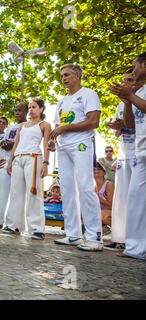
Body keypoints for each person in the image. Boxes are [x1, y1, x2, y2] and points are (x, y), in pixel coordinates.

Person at [49, 63, 103, 251]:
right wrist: (53, 139)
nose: (63, 78)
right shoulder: (63, 101)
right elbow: (58, 126)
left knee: (85, 186)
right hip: (63, 147)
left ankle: (95, 237)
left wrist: (65, 128)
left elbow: (93, 122)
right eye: (62, 75)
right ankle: (73, 235)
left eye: (67, 74)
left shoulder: (89, 94)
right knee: (67, 189)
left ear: (78, 75)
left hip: (81, 144)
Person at [110, 52, 146, 260]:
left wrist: (130, 96)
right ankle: (135, 248)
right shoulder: (138, 92)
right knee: (135, 199)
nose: (133, 71)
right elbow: (131, 125)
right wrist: (126, 100)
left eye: (135, 66)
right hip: (140, 152)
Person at [2, 98, 51, 240]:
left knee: (33, 191)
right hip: (18, 158)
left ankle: (37, 228)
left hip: (34, 157)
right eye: (29, 107)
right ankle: (13, 225)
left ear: (41, 109)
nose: (31, 109)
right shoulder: (22, 125)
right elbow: (16, 144)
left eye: (34, 107)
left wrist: (46, 163)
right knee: (15, 192)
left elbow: (47, 144)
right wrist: (10, 162)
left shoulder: (44, 125)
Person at [105, 69, 139, 251]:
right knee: (122, 196)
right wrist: (117, 127)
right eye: (125, 80)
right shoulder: (121, 104)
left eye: (131, 80)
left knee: (137, 196)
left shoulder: (141, 98)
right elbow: (120, 131)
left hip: (140, 152)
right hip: (125, 152)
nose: (127, 84)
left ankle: (136, 238)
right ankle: (120, 236)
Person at [0, 103, 28, 228]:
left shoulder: (27, 125)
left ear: (26, 112)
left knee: (16, 193)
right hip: (5, 161)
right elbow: (5, 141)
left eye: (20, 110)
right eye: (15, 110)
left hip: (19, 161)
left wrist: (12, 144)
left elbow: (23, 143)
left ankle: (14, 224)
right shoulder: (11, 128)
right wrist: (4, 143)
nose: (17, 113)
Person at [93, 163, 114, 228]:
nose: (96, 171)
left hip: (112, 212)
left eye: (99, 169)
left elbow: (112, 206)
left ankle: (118, 232)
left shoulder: (108, 185)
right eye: (94, 169)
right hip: (100, 212)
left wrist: (96, 197)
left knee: (101, 215)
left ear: (104, 173)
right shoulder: (92, 187)